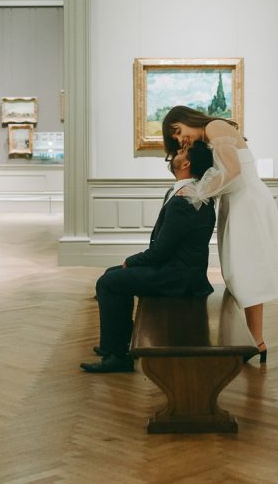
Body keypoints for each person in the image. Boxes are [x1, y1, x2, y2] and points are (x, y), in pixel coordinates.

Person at [162, 105, 278, 364]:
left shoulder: (214, 127)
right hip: (234, 203)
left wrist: (198, 193)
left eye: (177, 131)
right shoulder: (206, 137)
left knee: (247, 271)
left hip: (247, 202)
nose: (180, 139)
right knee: (239, 271)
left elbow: (233, 171)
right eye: (175, 139)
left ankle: (258, 340)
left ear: (185, 119)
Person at [81, 140, 217, 374]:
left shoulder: (185, 199)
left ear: (186, 163)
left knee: (109, 282)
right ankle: (115, 346)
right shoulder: (188, 193)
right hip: (179, 271)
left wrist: (131, 261)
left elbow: (159, 252)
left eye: (182, 151)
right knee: (111, 275)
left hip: (179, 278)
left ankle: (118, 357)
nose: (175, 153)